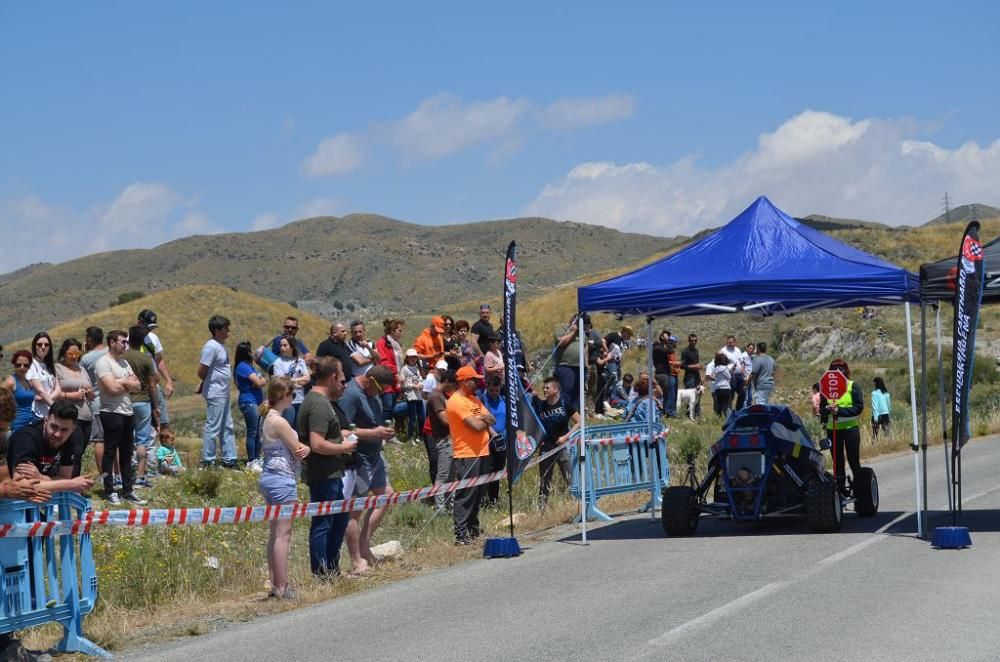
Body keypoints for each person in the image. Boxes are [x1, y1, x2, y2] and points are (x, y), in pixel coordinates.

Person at [297, 358, 359, 578]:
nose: (342, 383)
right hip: (323, 474)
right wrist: (344, 447)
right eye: (340, 378)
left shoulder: (319, 402)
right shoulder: (319, 404)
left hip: (331, 473)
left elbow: (324, 436)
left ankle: (331, 568)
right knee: (323, 522)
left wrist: (341, 437)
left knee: (339, 519)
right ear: (333, 376)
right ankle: (322, 573)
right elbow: (317, 443)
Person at [338, 364, 395, 575]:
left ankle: (365, 544)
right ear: (371, 381)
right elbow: (343, 429)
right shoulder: (352, 395)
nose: (380, 394)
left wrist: (383, 433)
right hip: (358, 459)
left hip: (375, 456)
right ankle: (356, 559)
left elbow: (375, 423)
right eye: (380, 389)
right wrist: (373, 434)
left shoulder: (373, 394)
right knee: (355, 509)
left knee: (386, 496)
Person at [259, 377, 311, 598]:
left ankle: (275, 583)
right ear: (283, 395)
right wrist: (307, 448)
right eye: (291, 393)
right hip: (282, 479)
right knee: (283, 535)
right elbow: (298, 449)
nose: (294, 397)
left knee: (275, 534)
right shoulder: (279, 421)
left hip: (270, 477)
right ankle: (282, 586)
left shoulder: (269, 418)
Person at [95, 330, 144, 505]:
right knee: (109, 452)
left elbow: (138, 386)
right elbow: (111, 389)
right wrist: (125, 383)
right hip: (111, 412)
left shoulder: (124, 363)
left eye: (127, 342)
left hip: (127, 412)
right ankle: (109, 490)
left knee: (127, 452)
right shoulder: (103, 363)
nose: (126, 345)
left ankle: (128, 490)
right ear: (112, 342)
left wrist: (122, 382)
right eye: (123, 342)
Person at [447, 366, 495, 543]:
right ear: (465, 381)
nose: (478, 382)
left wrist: (481, 419)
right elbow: (475, 426)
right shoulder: (456, 401)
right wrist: (483, 420)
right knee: (467, 493)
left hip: (482, 451)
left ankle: (473, 529)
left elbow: (492, 419)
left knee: (479, 492)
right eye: (474, 379)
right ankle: (461, 533)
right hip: (466, 454)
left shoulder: (474, 399)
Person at [5, 400, 94, 494]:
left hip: (38, 497)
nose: (58, 434)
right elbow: (22, 486)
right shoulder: (26, 439)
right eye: (54, 427)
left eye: (64, 430)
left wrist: (41, 478)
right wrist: (70, 485)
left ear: (73, 429)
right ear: (46, 420)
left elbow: (64, 476)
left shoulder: (70, 438)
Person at [819, 358, 864, 495]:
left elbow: (858, 407)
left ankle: (859, 490)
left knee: (853, 461)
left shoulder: (852, 386)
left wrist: (840, 411)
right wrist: (827, 409)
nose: (838, 370)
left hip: (851, 430)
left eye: (841, 368)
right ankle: (840, 490)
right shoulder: (826, 388)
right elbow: (821, 409)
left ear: (846, 370)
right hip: (834, 431)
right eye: (835, 368)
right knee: (837, 463)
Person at [532, 377, 578, 508]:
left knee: (569, 477)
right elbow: (534, 422)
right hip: (546, 448)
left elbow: (579, 422)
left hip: (562, 447)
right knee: (545, 480)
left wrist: (566, 436)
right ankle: (541, 509)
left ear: (556, 389)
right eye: (544, 388)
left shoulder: (565, 404)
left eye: (548, 387)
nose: (544, 390)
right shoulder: (540, 405)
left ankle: (577, 504)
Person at [198, 315, 238, 469]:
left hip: (223, 391)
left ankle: (229, 459)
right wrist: (205, 382)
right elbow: (202, 371)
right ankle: (208, 460)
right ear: (216, 330)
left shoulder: (220, 346)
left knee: (227, 426)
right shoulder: (211, 347)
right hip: (216, 392)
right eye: (225, 328)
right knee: (213, 426)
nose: (228, 331)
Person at [0, 388, 52, 503]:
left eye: (3, 429)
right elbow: (4, 488)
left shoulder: (4, 438)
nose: (0, 434)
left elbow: (4, 479)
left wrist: (25, 491)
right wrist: (4, 490)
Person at [123, 326, 159, 486]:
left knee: (125, 439)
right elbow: (152, 384)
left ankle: (124, 474)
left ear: (129, 339)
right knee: (142, 441)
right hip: (143, 401)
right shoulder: (146, 359)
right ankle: (140, 476)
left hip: (125, 401)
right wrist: (156, 406)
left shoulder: (122, 357)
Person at [55, 339, 96, 463]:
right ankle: (70, 480)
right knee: (75, 451)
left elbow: (92, 394)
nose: (74, 357)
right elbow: (53, 394)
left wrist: (90, 394)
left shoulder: (82, 369)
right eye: (70, 354)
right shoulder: (58, 368)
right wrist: (71, 396)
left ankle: (72, 479)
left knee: (80, 453)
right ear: (64, 353)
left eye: (77, 354)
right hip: (70, 417)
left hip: (87, 417)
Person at [137, 309, 176, 430]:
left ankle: (165, 449)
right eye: (147, 326)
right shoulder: (129, 340)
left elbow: (159, 360)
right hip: (137, 388)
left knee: (163, 421)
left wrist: (168, 380)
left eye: (152, 327)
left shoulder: (153, 338)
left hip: (154, 387)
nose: (149, 330)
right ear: (139, 322)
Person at [234, 341, 268, 467]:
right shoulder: (243, 367)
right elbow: (259, 382)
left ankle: (257, 458)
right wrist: (261, 380)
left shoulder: (248, 366)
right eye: (251, 350)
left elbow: (260, 380)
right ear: (247, 352)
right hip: (249, 402)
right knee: (252, 432)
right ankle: (252, 460)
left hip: (256, 402)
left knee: (258, 432)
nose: (253, 352)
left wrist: (261, 380)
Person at [80, 326, 108, 472]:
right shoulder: (110, 352)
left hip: (96, 404)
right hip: (113, 403)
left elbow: (81, 378)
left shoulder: (86, 359)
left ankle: (104, 475)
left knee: (99, 441)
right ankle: (117, 475)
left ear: (89, 339)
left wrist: (85, 354)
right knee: (112, 441)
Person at [426, 369, 458, 496]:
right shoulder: (435, 396)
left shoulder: (442, 395)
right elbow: (444, 420)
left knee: (451, 476)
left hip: (449, 439)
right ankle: (440, 507)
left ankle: (449, 504)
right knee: (443, 475)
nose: (453, 388)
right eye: (452, 385)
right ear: (446, 382)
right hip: (444, 440)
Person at [479, 374, 506, 508]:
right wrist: (493, 434)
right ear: (487, 387)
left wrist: (504, 435)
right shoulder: (483, 401)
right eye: (492, 390)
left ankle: (494, 501)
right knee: (486, 472)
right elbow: (482, 419)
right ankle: (483, 501)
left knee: (497, 472)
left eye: (497, 390)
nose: (494, 393)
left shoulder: (504, 401)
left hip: (502, 443)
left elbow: (508, 420)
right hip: (488, 442)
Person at [271, 334, 310, 426]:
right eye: (281, 346)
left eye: (285, 345)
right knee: (288, 427)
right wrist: (299, 382)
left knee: (299, 429)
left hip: (300, 400)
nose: (282, 348)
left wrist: (291, 380)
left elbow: (307, 378)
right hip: (287, 402)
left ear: (292, 346)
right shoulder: (278, 363)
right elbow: (281, 382)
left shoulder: (300, 361)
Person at [26, 332, 61, 423]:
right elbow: (39, 390)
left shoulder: (50, 366)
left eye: (46, 344)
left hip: (48, 413)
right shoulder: (30, 364)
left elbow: (58, 390)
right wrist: (56, 407)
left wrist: (46, 398)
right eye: (39, 344)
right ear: (34, 346)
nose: (43, 347)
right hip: (35, 413)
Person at [374, 318, 405, 421]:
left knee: (392, 407)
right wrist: (396, 373)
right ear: (392, 331)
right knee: (387, 407)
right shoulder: (382, 343)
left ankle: (390, 429)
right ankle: (383, 430)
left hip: (395, 380)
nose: (401, 333)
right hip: (387, 380)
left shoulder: (396, 344)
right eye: (399, 330)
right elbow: (383, 362)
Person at [5, 350, 37, 433]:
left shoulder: (28, 382)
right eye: (18, 365)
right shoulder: (10, 382)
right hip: (16, 426)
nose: (22, 367)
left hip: (30, 424)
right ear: (14, 365)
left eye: (26, 365)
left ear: (29, 366)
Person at [399, 349, 425, 443]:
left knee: (422, 416)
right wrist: (412, 386)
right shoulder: (404, 369)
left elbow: (421, 379)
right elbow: (402, 385)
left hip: (419, 396)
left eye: (414, 357)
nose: (412, 359)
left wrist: (421, 384)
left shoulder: (418, 368)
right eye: (410, 357)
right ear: (407, 358)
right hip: (410, 396)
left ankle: (420, 436)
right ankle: (410, 437)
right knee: (412, 417)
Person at [680, 333, 702, 419]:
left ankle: (697, 414)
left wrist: (700, 376)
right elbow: (682, 365)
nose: (693, 342)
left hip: (696, 377)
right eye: (692, 340)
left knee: (697, 396)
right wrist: (694, 366)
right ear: (688, 341)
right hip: (689, 377)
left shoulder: (696, 351)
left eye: (695, 340)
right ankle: (688, 416)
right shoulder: (685, 352)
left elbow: (697, 364)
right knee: (689, 398)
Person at [710, 351, 733, 417]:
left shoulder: (716, 369)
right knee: (726, 404)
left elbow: (713, 376)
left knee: (719, 404)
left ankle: (718, 417)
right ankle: (726, 418)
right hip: (726, 388)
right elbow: (729, 376)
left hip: (718, 389)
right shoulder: (725, 368)